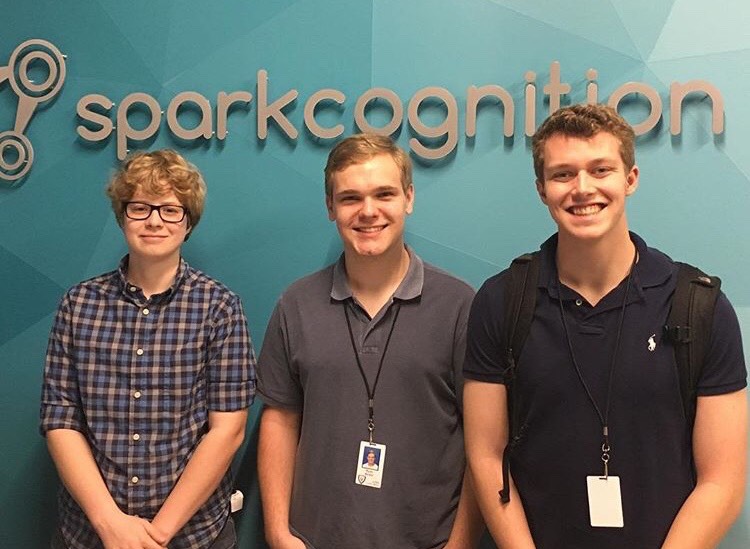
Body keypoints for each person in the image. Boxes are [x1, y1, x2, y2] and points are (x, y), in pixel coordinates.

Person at [463, 104, 748, 549]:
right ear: (541, 189)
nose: (582, 188)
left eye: (600, 169)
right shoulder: (501, 301)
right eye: (562, 174)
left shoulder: (699, 305)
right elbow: (485, 455)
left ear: (630, 179)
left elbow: (722, 480)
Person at [257, 134, 483, 549]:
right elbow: (280, 419)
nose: (368, 212)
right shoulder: (296, 303)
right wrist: (277, 531)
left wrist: (461, 543)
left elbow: (483, 437)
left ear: (408, 198)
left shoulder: (459, 304)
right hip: (315, 539)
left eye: (384, 194)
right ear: (330, 207)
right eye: (350, 198)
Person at [40, 150, 256, 549]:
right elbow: (60, 421)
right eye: (140, 207)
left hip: (193, 537)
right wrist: (111, 526)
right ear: (122, 215)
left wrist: (156, 536)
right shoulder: (78, 305)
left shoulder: (220, 308)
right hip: (89, 535)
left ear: (188, 221)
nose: (154, 220)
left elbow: (227, 431)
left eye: (171, 209)